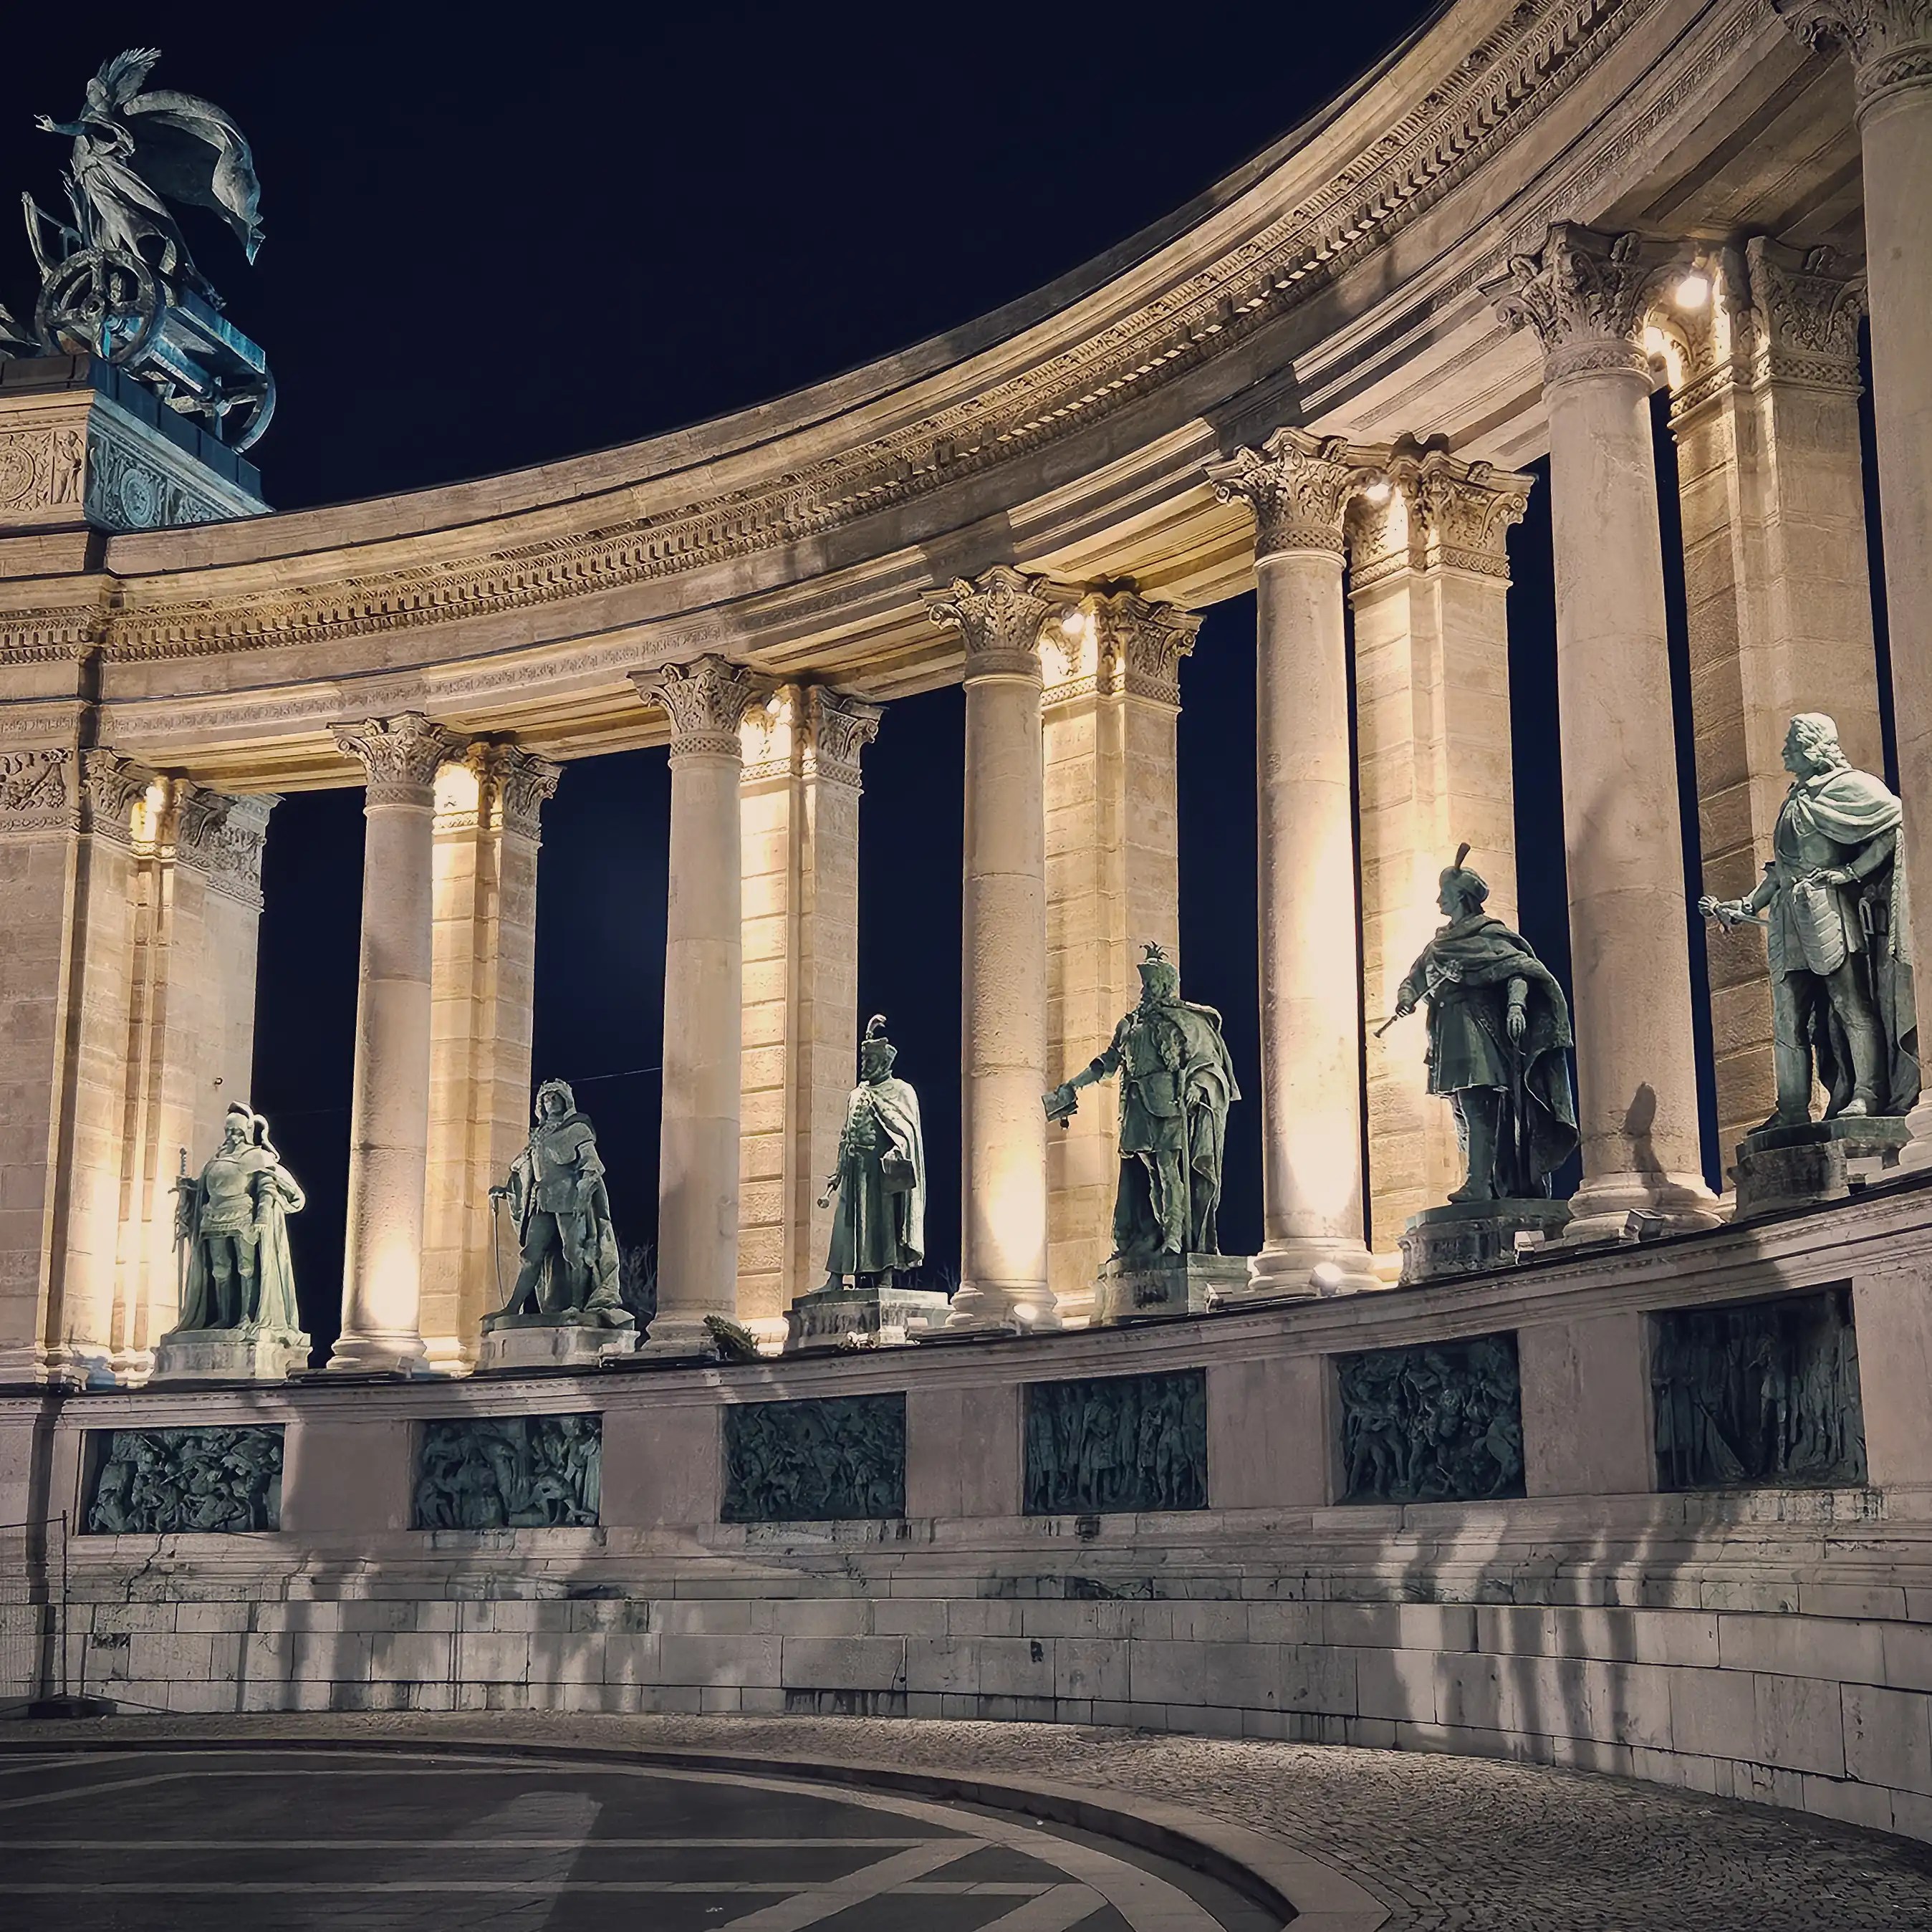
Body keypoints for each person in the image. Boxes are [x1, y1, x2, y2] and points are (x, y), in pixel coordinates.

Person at [1701, 712, 1918, 1126]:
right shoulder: (1794, 799)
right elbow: (1781, 871)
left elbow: (1898, 823)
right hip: (1789, 919)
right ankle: (1793, 1108)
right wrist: (1745, 905)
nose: (1784, 752)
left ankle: (1869, 1094)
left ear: (1815, 748)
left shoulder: (1850, 787)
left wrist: (1851, 873)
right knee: (1788, 1016)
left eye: (1792, 744)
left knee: (1850, 1003)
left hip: (1830, 911)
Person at [1391, 849, 1577, 1201]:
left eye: (1443, 895)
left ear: (1461, 897)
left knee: (1478, 1104)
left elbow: (1518, 969)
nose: (1438, 901)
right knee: (1461, 1107)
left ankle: (1480, 1183)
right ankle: (1484, 1179)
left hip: (1479, 1031)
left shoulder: (1491, 936)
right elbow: (1413, 979)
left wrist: (1517, 1005)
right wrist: (1405, 999)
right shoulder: (1438, 945)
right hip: (1447, 1034)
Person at [1045, 943, 1240, 1258]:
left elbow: (1208, 1062)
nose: (1146, 990)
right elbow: (1108, 1062)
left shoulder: (1184, 1021)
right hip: (1136, 1106)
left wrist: (1197, 1085)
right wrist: (1074, 1084)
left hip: (1169, 1104)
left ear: (1164, 986)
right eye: (1145, 984)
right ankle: (1160, 1229)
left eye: (1151, 983)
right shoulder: (1130, 1023)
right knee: (1150, 1175)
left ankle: (1175, 1236)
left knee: (1167, 1169)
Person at [489, 1080, 631, 1327]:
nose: (550, 1101)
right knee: (531, 1255)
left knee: (574, 1252)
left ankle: (577, 1305)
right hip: (540, 1199)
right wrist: (506, 1191)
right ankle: (512, 1307)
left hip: (569, 1197)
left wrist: (586, 1189)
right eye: (546, 1098)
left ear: (566, 1101)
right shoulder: (538, 1135)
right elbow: (524, 1171)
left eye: (556, 1097)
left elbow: (592, 1162)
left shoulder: (577, 1129)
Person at [173, 1104, 304, 1332]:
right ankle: (224, 1317)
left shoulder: (258, 1156)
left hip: (242, 1215)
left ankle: (246, 1315)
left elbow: (267, 1186)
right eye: (229, 1131)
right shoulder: (218, 1159)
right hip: (213, 1215)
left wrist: (262, 1216)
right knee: (219, 1269)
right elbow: (206, 1187)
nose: (232, 1136)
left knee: (246, 1268)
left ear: (246, 1132)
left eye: (237, 1131)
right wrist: (190, 1190)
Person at [818, 1015, 926, 1289]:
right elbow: (847, 1134)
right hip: (855, 1170)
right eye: (863, 1060)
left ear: (884, 1062)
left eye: (870, 1061)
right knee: (847, 1226)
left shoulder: (902, 1091)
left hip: (881, 1172)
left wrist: (898, 1150)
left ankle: (887, 1275)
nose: (864, 1065)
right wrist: (839, 1170)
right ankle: (836, 1277)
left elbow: (908, 1132)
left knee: (884, 1225)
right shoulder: (856, 1094)